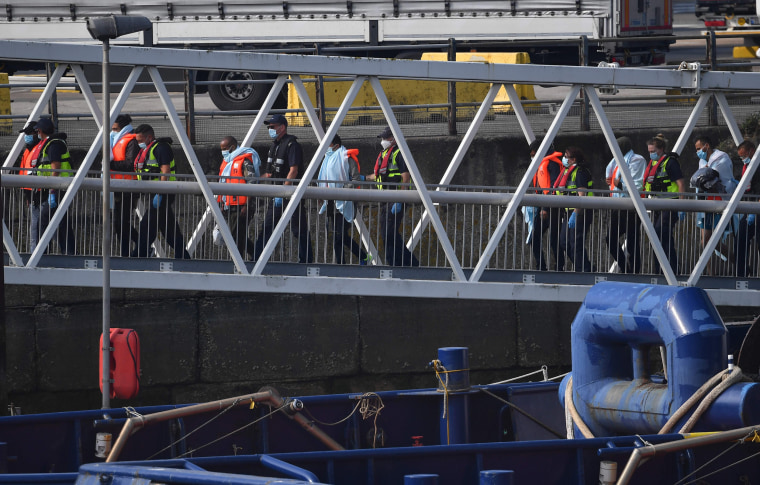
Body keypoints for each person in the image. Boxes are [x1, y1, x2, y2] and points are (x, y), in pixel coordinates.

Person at [253, 114, 313, 263]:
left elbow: (293, 171)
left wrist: (283, 192)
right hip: (278, 195)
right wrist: (253, 182)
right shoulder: (275, 146)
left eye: (272, 127)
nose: (270, 129)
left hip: (290, 195)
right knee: (267, 227)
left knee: (298, 229)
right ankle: (255, 259)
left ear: (282, 127)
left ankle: (306, 260)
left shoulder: (292, 145)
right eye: (269, 127)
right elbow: (269, 173)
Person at [131, 124, 191, 259]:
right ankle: (183, 256)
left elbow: (166, 171)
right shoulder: (148, 149)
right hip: (155, 192)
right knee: (169, 229)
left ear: (149, 137)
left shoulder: (161, 148)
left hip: (163, 192)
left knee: (147, 224)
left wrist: (161, 193)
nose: (138, 143)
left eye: (140, 140)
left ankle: (138, 256)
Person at [367, 126, 419, 267]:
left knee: (389, 234)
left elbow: (405, 176)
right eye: (383, 138)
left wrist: (400, 199)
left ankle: (398, 263)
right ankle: (406, 263)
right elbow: (377, 175)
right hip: (385, 200)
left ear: (394, 139)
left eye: (386, 138)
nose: (383, 140)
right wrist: (363, 178)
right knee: (387, 234)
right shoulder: (384, 154)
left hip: (395, 198)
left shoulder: (399, 153)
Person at [317, 134, 370, 264]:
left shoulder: (346, 158)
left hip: (345, 201)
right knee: (339, 235)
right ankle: (363, 257)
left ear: (336, 145)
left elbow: (356, 180)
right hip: (330, 201)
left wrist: (341, 190)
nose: (326, 148)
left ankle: (341, 265)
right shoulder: (327, 159)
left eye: (328, 144)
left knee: (338, 235)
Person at [643, 135, 686, 274]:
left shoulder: (670, 162)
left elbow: (680, 183)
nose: (651, 154)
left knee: (660, 232)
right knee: (659, 237)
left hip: (670, 204)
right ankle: (660, 270)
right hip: (657, 205)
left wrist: (681, 205)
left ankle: (671, 270)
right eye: (649, 151)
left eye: (653, 151)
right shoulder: (653, 165)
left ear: (661, 149)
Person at [694, 135, 737, 275]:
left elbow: (716, 179)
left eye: (699, 148)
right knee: (704, 241)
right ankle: (711, 273)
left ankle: (735, 261)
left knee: (710, 240)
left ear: (707, 146)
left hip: (719, 201)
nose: (698, 152)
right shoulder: (702, 161)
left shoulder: (721, 158)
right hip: (706, 202)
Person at [34, 117, 76, 255]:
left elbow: (55, 168)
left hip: (58, 189)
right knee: (62, 222)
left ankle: (43, 254)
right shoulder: (54, 143)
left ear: (40, 131)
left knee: (44, 221)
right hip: (59, 188)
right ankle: (69, 252)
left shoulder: (53, 144)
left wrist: (52, 191)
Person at [604, 136, 646, 274]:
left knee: (633, 241)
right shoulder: (616, 162)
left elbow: (637, 184)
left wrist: (619, 184)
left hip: (631, 207)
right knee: (610, 238)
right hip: (618, 205)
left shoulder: (636, 160)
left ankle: (634, 271)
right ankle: (624, 266)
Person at [217, 135, 260, 260]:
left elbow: (251, 183)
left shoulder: (245, 162)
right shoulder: (227, 163)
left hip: (243, 206)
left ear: (233, 147)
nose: (223, 151)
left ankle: (238, 262)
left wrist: (246, 205)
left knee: (237, 235)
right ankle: (257, 255)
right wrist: (221, 204)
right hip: (229, 205)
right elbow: (222, 184)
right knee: (236, 235)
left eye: (225, 148)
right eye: (221, 148)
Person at [526, 138, 564, 271]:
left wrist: (546, 208)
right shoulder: (542, 162)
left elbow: (554, 186)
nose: (532, 157)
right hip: (543, 206)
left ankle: (559, 267)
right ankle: (541, 266)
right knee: (534, 238)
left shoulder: (552, 163)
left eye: (533, 154)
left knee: (555, 239)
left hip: (552, 207)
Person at [555, 146, 593, 272]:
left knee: (576, 244)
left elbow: (582, 195)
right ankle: (586, 267)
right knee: (564, 242)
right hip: (569, 211)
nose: (564, 159)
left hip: (580, 211)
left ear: (573, 159)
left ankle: (581, 272)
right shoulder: (567, 171)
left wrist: (576, 213)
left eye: (566, 156)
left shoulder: (580, 172)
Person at [110, 114, 140, 257]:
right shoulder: (118, 140)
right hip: (118, 187)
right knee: (118, 223)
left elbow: (130, 164)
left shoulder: (131, 141)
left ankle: (135, 249)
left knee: (122, 222)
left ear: (122, 128)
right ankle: (129, 251)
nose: (112, 131)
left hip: (128, 188)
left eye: (115, 128)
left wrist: (111, 164)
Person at [734, 140, 760, 277]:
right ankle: (741, 273)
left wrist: (756, 209)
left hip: (756, 209)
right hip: (750, 208)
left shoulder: (758, 166)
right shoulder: (748, 167)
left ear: (752, 151)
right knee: (740, 240)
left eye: (744, 155)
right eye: (741, 156)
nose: (743, 158)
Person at [17, 121, 41, 252]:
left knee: (37, 225)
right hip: (29, 191)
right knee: (35, 225)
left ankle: (35, 253)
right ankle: (35, 251)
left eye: (29, 133)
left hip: (36, 192)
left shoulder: (38, 149)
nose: (26, 136)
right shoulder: (28, 149)